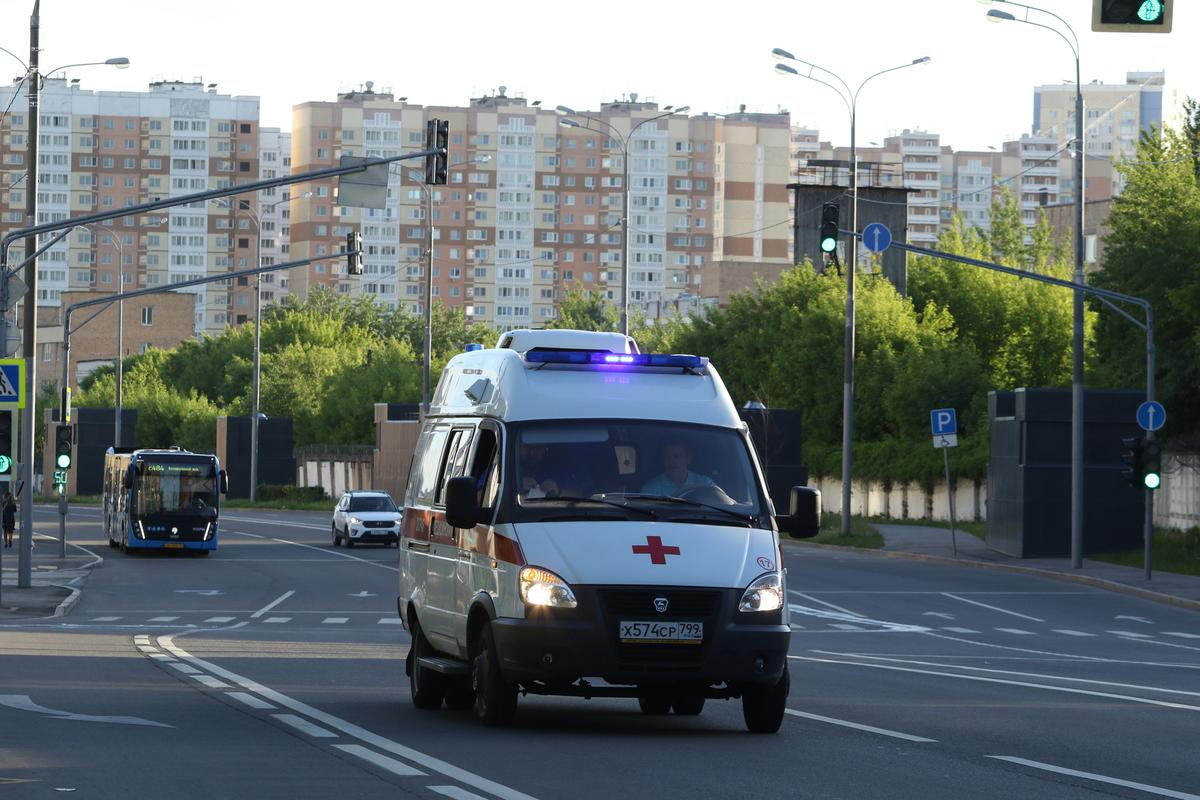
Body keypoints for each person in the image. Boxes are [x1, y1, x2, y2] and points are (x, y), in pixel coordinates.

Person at [641, 441, 717, 497]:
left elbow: (722, 504)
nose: (672, 461)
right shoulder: (651, 489)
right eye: (667, 457)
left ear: (688, 459)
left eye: (677, 456)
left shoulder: (706, 484)